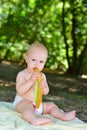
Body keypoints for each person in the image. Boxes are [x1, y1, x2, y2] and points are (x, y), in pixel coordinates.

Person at [13, 42, 76, 126]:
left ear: (44, 63)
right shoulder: (22, 74)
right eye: (33, 60)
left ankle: (63, 115)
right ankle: (33, 119)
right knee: (27, 106)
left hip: (37, 104)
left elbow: (46, 92)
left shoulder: (42, 76)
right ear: (26, 59)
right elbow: (20, 91)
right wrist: (31, 81)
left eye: (41, 62)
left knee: (51, 105)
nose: (37, 64)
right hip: (21, 102)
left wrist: (43, 87)